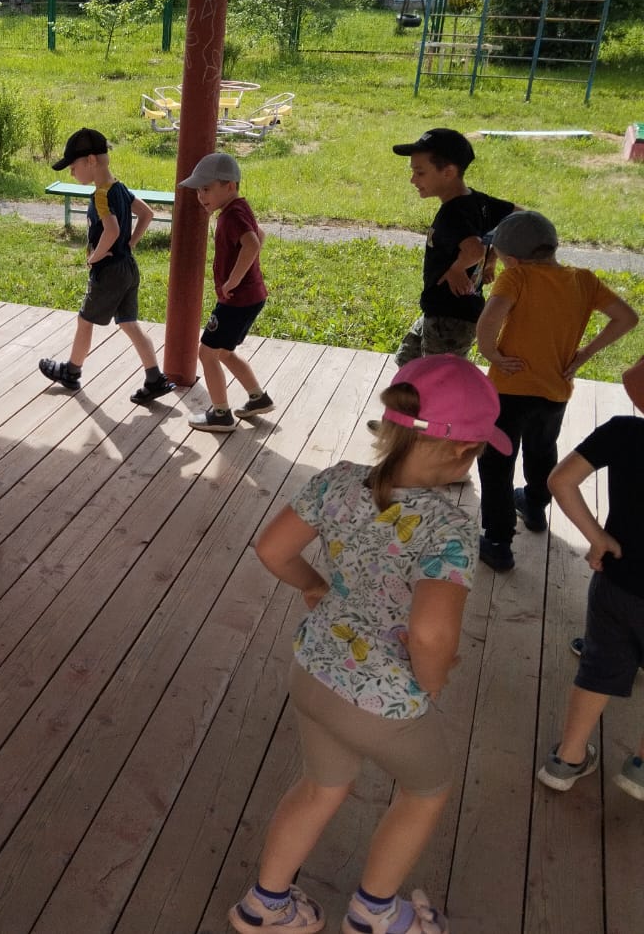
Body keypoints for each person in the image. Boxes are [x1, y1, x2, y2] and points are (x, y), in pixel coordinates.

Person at [229, 354, 511, 934]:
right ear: (464, 451)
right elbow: (431, 632)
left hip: (313, 671)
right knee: (425, 790)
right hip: (383, 701)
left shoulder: (336, 480)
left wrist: (315, 586)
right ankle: (374, 914)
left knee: (320, 785)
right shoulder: (448, 528)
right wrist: (431, 679)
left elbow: (272, 549)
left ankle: (266, 905)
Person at [473, 210, 638, 571]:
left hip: (509, 389)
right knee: (541, 448)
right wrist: (584, 354)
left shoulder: (516, 277)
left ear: (512, 259)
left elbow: (489, 319)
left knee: (496, 460)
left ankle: (498, 541)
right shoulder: (583, 280)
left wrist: (491, 354)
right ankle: (534, 506)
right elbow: (627, 318)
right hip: (555, 390)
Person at [536, 354, 644, 803]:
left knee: (598, 666)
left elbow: (560, 481)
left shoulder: (624, 432)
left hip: (617, 582)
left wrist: (597, 538)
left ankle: (567, 759)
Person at [37, 128, 175, 406]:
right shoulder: (120, 189)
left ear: (90, 161)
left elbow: (111, 230)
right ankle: (154, 377)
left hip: (109, 271)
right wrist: (130, 244)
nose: (71, 173)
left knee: (84, 320)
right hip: (128, 268)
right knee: (129, 323)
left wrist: (94, 257)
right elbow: (147, 214)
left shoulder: (101, 195)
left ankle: (71, 372)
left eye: (73, 166)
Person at [391, 128, 515, 366]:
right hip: (440, 311)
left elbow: (474, 249)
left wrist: (459, 268)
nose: (413, 180)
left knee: (437, 376)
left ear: (448, 172)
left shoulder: (453, 214)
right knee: (407, 360)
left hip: (451, 318)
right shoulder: (478, 201)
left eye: (420, 172)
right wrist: (492, 259)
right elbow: (520, 216)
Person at [179, 152, 275, 433]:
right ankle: (258, 398)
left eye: (207, 189)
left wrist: (233, 280)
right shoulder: (240, 208)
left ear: (229, 186)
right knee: (223, 352)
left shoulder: (231, 216)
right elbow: (260, 235)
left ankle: (221, 414)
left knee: (207, 353)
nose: (201, 196)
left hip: (236, 300)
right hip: (252, 297)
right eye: (198, 190)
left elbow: (252, 243)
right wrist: (246, 272)